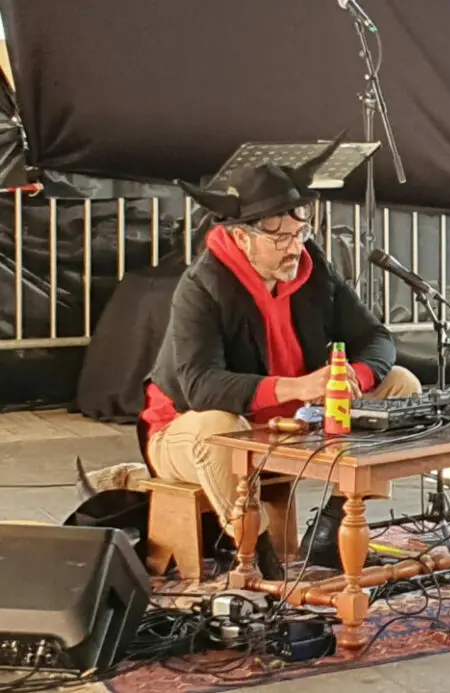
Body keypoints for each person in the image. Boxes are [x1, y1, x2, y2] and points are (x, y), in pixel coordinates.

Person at [139, 137, 421, 579]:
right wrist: (299, 387)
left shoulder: (312, 267)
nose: (294, 248)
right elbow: (200, 386)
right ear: (240, 237)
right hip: (183, 431)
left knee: (402, 385)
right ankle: (254, 555)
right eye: (280, 239)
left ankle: (332, 528)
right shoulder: (202, 286)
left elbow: (377, 337)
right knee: (219, 426)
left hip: (289, 420)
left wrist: (356, 375)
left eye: (299, 233)